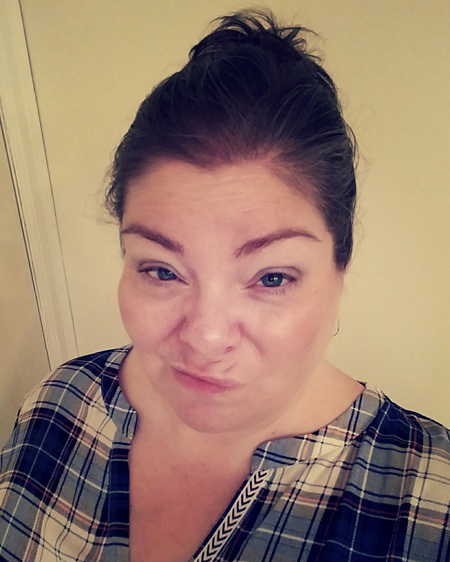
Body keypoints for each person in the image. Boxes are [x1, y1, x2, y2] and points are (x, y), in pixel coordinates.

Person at [1, 9, 449, 562]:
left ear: (341, 268)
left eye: (271, 277)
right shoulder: (57, 405)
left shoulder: (427, 499)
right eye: (162, 270)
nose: (206, 338)